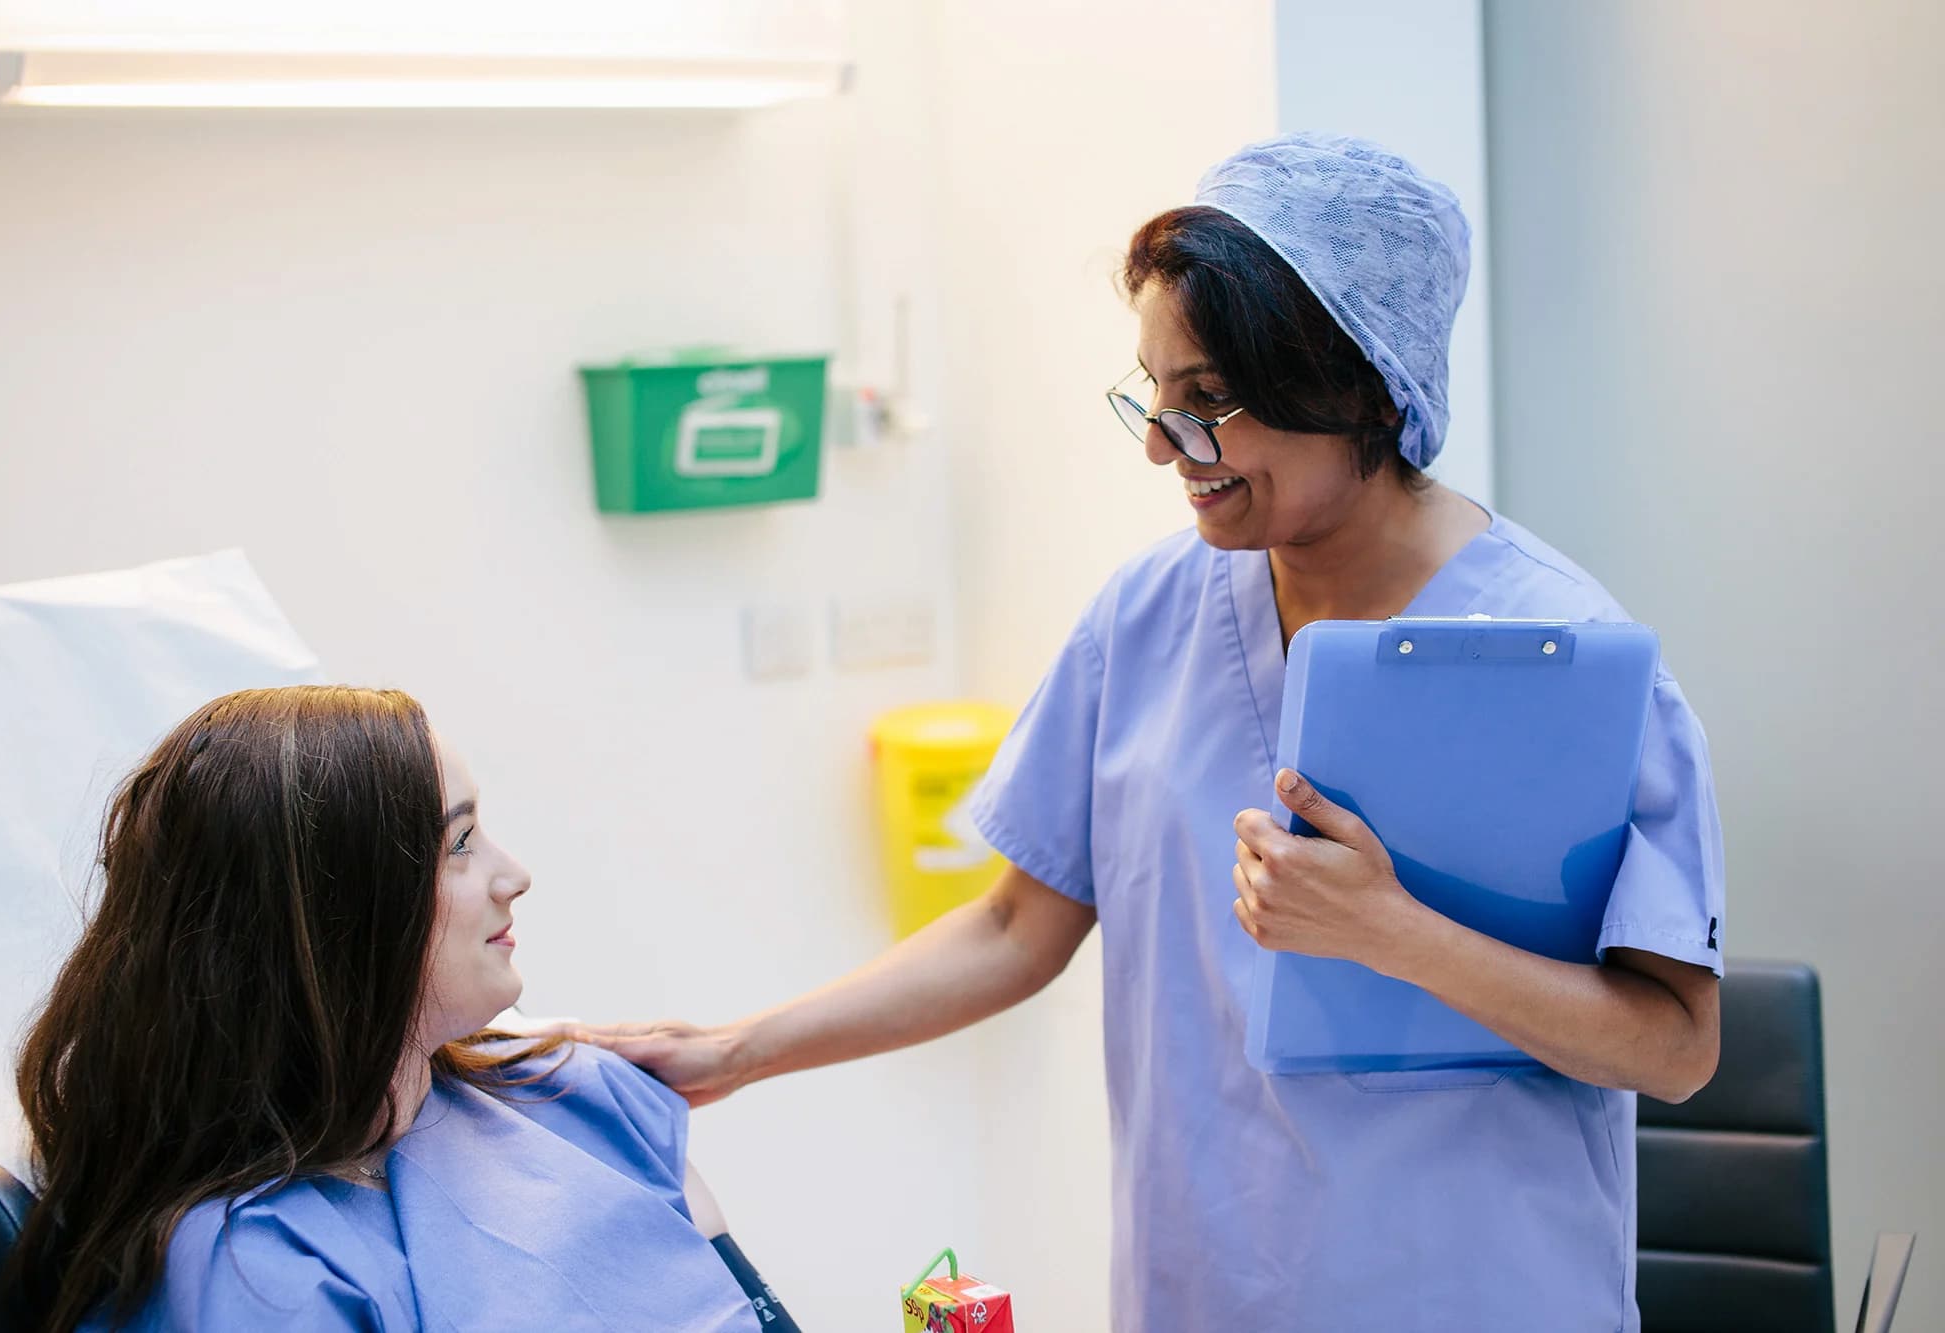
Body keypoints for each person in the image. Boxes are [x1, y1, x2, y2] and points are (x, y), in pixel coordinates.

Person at [579, 134, 1725, 1331]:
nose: (1161, 446)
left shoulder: (1567, 656)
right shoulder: (1148, 614)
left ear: (1368, 388)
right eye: (1153, 392)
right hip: (1206, 1283)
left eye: (1207, 401)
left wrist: (1391, 934)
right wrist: (735, 1050)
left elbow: (1673, 1045)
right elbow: (1017, 925)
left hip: (1474, 1291)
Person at [4, 685, 786, 1333]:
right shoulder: (260, 1274)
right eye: (459, 844)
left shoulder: (584, 1092)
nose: (514, 875)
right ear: (335, 919)